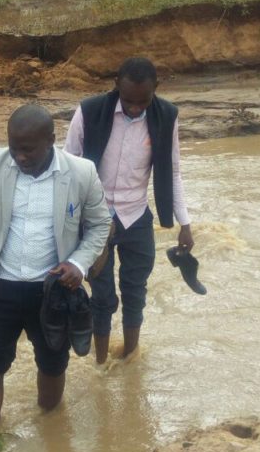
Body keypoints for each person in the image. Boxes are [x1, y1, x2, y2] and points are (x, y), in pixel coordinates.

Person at [0, 105, 111, 431]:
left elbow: (99, 225)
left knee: (52, 365)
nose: (20, 157)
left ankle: (50, 433)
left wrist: (78, 262)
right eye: (13, 147)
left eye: (28, 149)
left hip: (53, 288)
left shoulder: (81, 173)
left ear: (51, 140)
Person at [64, 56, 193, 364]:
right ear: (116, 86)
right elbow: (66, 166)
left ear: (156, 90)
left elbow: (172, 171)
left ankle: (130, 358)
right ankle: (100, 364)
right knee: (102, 296)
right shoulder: (89, 111)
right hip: (95, 220)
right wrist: (66, 224)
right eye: (128, 100)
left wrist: (185, 223)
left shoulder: (166, 116)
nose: (135, 108)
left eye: (143, 102)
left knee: (136, 292)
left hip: (137, 218)